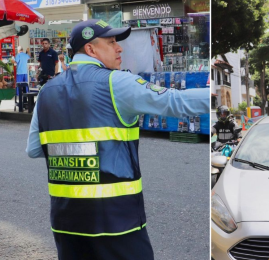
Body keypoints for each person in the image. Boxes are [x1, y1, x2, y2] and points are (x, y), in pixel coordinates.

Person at [25, 19, 209, 260]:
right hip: (117, 220)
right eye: (111, 42)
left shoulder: (46, 92)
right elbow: (175, 101)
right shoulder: (118, 82)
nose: (119, 48)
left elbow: (34, 149)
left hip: (66, 221)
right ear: (91, 49)